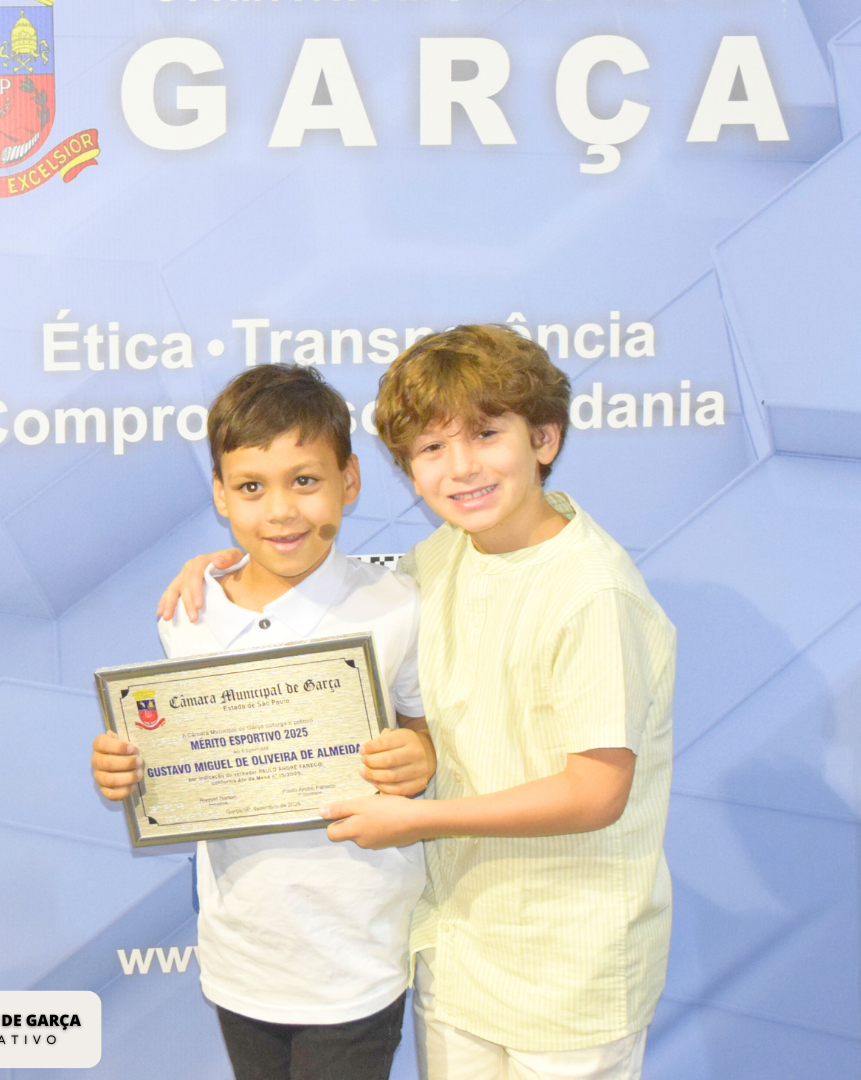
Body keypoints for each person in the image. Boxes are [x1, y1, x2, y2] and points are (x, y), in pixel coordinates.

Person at [157, 326, 674, 1080]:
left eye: (486, 435)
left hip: (568, 967)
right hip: (458, 954)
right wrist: (229, 565)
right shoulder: (444, 555)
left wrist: (415, 818)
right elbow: (335, 588)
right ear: (405, 468)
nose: (461, 467)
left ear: (544, 437)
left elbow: (597, 791)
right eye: (432, 448)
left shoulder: (592, 591)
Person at [91, 363, 435, 1080]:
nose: (280, 510)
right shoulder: (188, 614)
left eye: (304, 480)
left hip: (357, 950)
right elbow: (177, 760)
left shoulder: (397, 605)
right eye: (251, 487)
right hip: (241, 954)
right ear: (220, 494)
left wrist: (420, 757)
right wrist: (128, 770)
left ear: (349, 480)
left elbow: (424, 730)